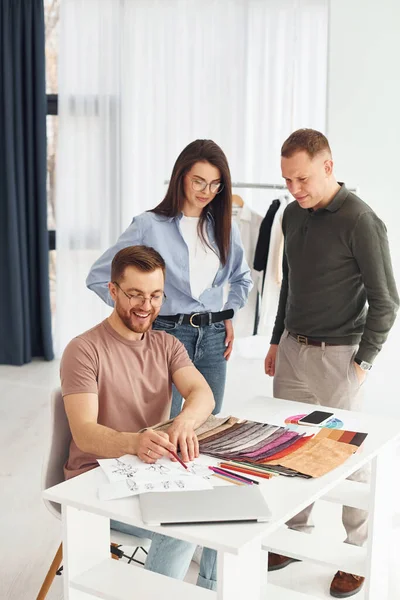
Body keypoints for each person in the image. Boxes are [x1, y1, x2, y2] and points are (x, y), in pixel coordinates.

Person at [264, 129, 399, 598]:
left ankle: (356, 553)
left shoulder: (361, 221)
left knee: (348, 455)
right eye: (286, 181)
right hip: (293, 350)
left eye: (301, 178)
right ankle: (291, 534)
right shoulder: (291, 215)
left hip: (339, 355)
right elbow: (289, 283)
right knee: (288, 445)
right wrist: (277, 341)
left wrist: (361, 363)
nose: (294, 190)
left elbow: (386, 301)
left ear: (328, 165)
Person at [61, 245, 218, 590]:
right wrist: (135, 442)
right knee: (183, 521)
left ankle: (210, 591)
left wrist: (183, 423)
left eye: (155, 296)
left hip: (151, 472)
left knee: (225, 509)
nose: (146, 306)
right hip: (94, 479)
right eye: (134, 295)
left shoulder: (167, 345)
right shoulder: (83, 350)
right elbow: (85, 434)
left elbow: (203, 394)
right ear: (113, 291)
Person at [86, 139, 252, 418]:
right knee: (162, 424)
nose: (207, 191)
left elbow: (242, 279)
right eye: (199, 181)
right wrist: (139, 316)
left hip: (214, 340)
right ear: (181, 176)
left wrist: (229, 313)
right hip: (165, 334)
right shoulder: (148, 225)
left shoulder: (225, 227)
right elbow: (99, 276)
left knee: (208, 425)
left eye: (215, 184)